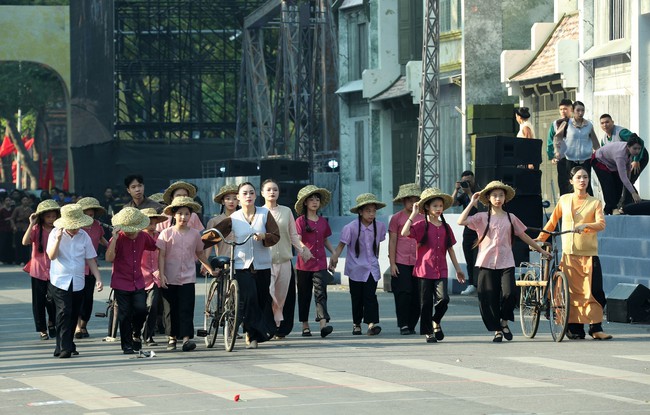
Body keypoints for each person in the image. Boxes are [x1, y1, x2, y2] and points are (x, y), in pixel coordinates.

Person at [457, 181, 550, 342]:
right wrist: (472, 202)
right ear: (488, 198)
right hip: (486, 262)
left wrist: (540, 249)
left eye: (501, 195)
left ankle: (504, 322)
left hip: (506, 262)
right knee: (489, 297)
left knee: (510, 293)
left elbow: (523, 235)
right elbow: (461, 221)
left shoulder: (511, 217)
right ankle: (497, 330)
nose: (498, 198)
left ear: (505, 198)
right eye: (494, 195)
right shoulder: (480, 217)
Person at [201, 182, 280, 349]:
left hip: (262, 264)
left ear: (256, 196)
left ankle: (256, 333)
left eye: (251, 193)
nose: (248, 196)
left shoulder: (264, 214)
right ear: (239, 198)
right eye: (244, 193)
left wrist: (264, 235)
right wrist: (199, 243)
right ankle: (253, 336)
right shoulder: (234, 218)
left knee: (261, 299)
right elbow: (216, 234)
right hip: (241, 265)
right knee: (249, 298)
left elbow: (275, 235)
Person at [536, 167, 611, 340]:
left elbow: (601, 224)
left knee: (594, 291)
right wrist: (540, 239)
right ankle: (574, 328)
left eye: (585, 177)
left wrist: (585, 226)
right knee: (570, 292)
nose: (582, 180)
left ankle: (595, 327)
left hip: (589, 254)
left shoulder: (595, 202)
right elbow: (552, 222)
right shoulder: (564, 200)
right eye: (578, 177)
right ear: (571, 181)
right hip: (569, 254)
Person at [402, 188, 465, 343]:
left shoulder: (446, 227)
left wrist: (458, 269)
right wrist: (413, 213)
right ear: (427, 208)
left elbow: (450, 249)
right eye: (435, 206)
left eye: (440, 206)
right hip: (423, 270)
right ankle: (429, 332)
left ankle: (435, 320)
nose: (438, 209)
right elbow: (404, 232)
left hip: (441, 270)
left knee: (443, 299)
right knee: (426, 304)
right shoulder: (420, 225)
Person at [157, 196, 217, 352]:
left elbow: (200, 253)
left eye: (187, 214)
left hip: (188, 277)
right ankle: (172, 338)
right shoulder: (165, 233)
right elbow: (161, 256)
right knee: (170, 309)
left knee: (186, 307)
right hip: (169, 276)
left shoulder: (195, 234)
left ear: (191, 216)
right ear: (174, 215)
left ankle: (186, 339)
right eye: (180, 213)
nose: (183, 217)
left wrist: (210, 269)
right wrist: (162, 274)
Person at [47, 204, 104, 358]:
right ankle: (65, 347)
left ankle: (66, 344)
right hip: (59, 280)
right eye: (72, 226)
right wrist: (58, 240)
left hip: (78, 280)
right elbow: (51, 256)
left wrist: (98, 278)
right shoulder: (55, 233)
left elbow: (90, 258)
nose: (75, 229)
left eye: (78, 226)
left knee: (73, 314)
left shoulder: (84, 236)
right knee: (64, 311)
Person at [330, 193, 387, 336]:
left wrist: (376, 259)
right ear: (360, 212)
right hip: (355, 268)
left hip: (371, 268)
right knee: (356, 297)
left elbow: (377, 244)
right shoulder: (351, 227)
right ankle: (356, 324)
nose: (371, 214)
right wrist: (334, 258)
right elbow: (341, 245)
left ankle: (371, 324)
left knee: (370, 296)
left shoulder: (379, 226)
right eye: (368, 211)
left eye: (374, 211)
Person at [261, 179, 310, 338]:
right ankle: (268, 327)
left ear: (278, 192)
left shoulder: (286, 211)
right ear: (262, 193)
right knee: (268, 295)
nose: (272, 192)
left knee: (283, 297)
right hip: (264, 263)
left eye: (275, 189)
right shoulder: (258, 212)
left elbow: (293, 235)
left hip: (284, 261)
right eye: (268, 190)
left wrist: (302, 250)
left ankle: (281, 328)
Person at [106, 207, 158, 354]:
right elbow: (109, 258)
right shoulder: (118, 238)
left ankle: (136, 333)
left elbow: (155, 247)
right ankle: (126, 344)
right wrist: (114, 239)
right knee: (124, 314)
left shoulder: (143, 236)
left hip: (138, 281)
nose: (129, 232)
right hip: (121, 282)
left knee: (141, 309)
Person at [294, 185, 335, 338]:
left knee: (321, 293)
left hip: (320, 264)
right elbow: (297, 239)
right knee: (304, 295)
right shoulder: (299, 221)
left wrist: (334, 253)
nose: (314, 202)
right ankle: (305, 325)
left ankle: (323, 324)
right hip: (304, 264)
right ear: (305, 203)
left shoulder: (323, 221)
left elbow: (325, 239)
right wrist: (304, 249)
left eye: (317, 199)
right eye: (311, 199)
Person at [22, 200, 60, 340]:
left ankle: (52, 322)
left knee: (53, 300)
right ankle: (42, 329)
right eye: (48, 217)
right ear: (42, 217)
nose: (51, 219)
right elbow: (25, 242)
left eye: (53, 216)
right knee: (38, 302)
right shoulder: (36, 229)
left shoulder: (59, 229)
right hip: (38, 270)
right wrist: (31, 223)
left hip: (56, 270)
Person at [388, 183, 422, 335]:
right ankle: (403, 324)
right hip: (401, 261)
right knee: (403, 292)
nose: (412, 203)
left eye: (416, 200)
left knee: (417, 295)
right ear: (403, 201)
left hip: (419, 262)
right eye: (409, 200)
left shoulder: (424, 218)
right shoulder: (396, 218)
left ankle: (412, 323)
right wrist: (392, 263)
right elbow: (393, 241)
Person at [74, 197, 109, 339]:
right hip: (76, 267)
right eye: (86, 214)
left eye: (91, 214)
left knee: (88, 299)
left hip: (91, 267)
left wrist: (113, 248)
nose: (89, 217)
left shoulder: (97, 226)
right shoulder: (75, 226)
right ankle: (77, 327)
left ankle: (83, 325)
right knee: (77, 298)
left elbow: (102, 239)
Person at [550, 100, 600, 195]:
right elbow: (557, 138)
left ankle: (588, 206)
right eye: (578, 110)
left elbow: (595, 142)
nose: (580, 113)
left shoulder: (588, 125)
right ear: (573, 111)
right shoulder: (567, 123)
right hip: (570, 159)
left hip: (585, 159)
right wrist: (557, 152)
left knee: (585, 184)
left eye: (582, 110)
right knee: (570, 185)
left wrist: (600, 154)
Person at [599, 114, 648, 207]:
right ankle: (636, 203)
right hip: (625, 161)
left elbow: (640, 141)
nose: (605, 125)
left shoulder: (621, 132)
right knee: (625, 181)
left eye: (607, 122)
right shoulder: (604, 139)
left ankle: (628, 205)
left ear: (612, 122)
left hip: (639, 156)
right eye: (602, 123)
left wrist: (636, 160)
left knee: (627, 181)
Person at [592, 135, 644, 214]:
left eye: (639, 149)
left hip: (611, 162)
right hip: (599, 159)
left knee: (619, 184)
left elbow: (628, 168)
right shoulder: (620, 155)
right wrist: (633, 193)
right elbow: (623, 176)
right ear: (628, 146)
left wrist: (628, 181)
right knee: (609, 184)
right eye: (635, 148)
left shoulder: (629, 152)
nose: (637, 151)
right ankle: (613, 208)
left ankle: (609, 209)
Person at [140, 208, 168, 346]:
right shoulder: (136, 237)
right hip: (138, 277)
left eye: (154, 223)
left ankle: (148, 335)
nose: (152, 226)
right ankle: (135, 332)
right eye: (149, 222)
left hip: (155, 277)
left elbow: (165, 255)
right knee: (139, 307)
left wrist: (161, 272)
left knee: (152, 306)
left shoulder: (160, 236)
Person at [451, 171, 481, 295]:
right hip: (468, 229)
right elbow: (453, 204)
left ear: (474, 180)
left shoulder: (479, 193)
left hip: (480, 230)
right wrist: (456, 189)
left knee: (478, 258)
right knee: (469, 257)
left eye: (469, 181)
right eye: (464, 181)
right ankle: (472, 284)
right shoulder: (463, 195)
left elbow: (480, 207)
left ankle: (479, 284)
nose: (467, 183)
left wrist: (470, 192)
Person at [205, 184, 238, 256]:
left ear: (239, 201)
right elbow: (208, 245)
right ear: (223, 201)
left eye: (235, 198)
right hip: (222, 263)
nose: (231, 201)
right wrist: (204, 264)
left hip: (242, 264)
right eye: (228, 198)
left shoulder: (244, 220)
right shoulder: (214, 221)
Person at [10, 194, 33, 265]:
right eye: (24, 200)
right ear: (21, 201)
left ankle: (26, 260)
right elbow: (12, 218)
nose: (25, 201)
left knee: (26, 246)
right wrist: (14, 226)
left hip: (26, 228)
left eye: (26, 200)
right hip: (18, 227)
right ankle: (18, 260)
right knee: (18, 245)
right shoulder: (17, 209)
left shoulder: (30, 210)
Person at [0, 196, 15, 265]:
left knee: (10, 244)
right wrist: (6, 219)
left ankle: (10, 259)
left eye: (9, 200)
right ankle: (2, 259)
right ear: (4, 202)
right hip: (3, 229)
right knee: (3, 244)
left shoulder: (13, 210)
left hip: (11, 229)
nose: (8, 202)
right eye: (6, 200)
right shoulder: (2, 210)